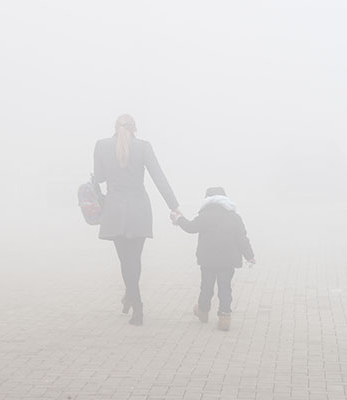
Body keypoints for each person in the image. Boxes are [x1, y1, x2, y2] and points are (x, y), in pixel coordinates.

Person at [93, 114, 180, 326]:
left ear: (115, 128)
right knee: (134, 259)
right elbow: (158, 177)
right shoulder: (143, 147)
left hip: (114, 209)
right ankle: (132, 298)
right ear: (135, 129)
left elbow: (100, 177)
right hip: (139, 209)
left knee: (125, 261)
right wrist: (173, 206)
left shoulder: (102, 145)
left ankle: (135, 302)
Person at [171, 187, 255, 331]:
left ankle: (203, 311)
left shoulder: (205, 215)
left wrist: (179, 219)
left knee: (206, 286)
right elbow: (242, 238)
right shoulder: (234, 217)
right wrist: (250, 256)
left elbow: (191, 228)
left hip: (208, 260)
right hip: (228, 260)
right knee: (225, 287)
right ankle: (225, 318)